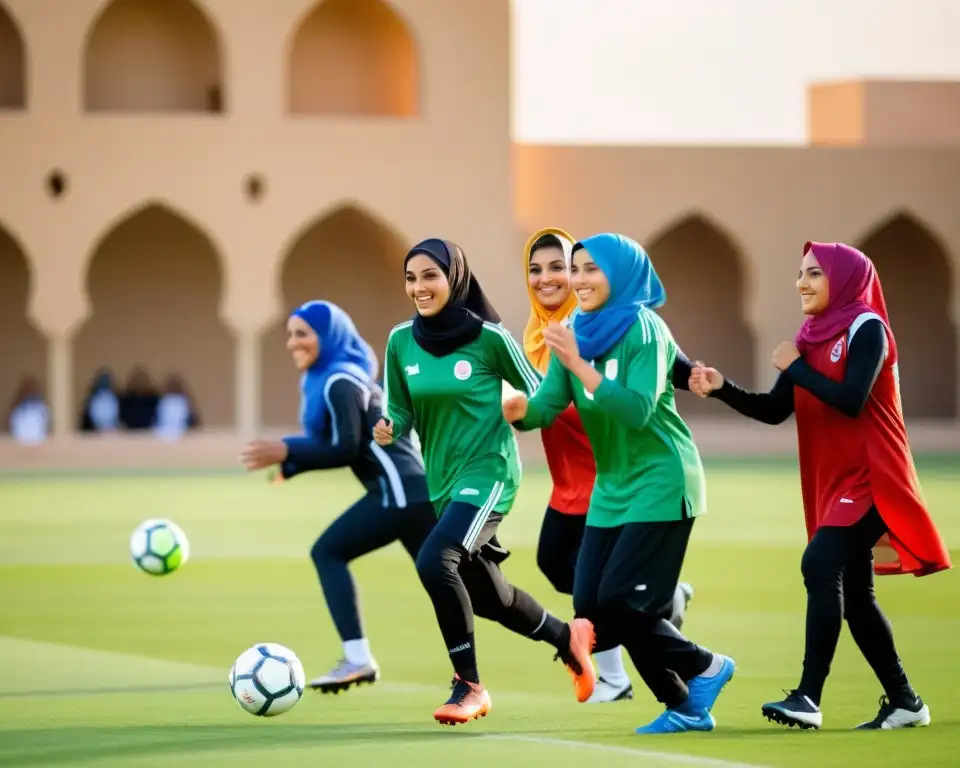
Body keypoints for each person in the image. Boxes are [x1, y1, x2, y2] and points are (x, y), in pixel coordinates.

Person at [690, 241, 951, 730]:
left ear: (845, 279)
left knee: (820, 562)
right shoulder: (809, 336)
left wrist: (796, 366)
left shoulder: (866, 327)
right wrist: (722, 386)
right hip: (836, 481)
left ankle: (808, 697)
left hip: (876, 475)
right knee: (855, 594)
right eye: (800, 273)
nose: (802, 283)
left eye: (814, 273)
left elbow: (852, 399)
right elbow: (773, 410)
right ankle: (905, 701)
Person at [504, 233, 735, 735]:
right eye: (578, 269)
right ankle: (686, 703)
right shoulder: (571, 328)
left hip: (662, 479)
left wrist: (578, 364)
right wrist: (518, 413)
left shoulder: (645, 329)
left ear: (621, 274)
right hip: (611, 488)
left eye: (592, 270)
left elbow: (635, 410)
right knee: (590, 607)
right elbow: (547, 406)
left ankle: (704, 669)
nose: (580, 280)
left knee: (620, 606)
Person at [374, 238, 595, 726]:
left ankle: (468, 686)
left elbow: (544, 394)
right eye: (411, 278)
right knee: (489, 598)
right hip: (444, 484)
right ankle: (568, 638)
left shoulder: (490, 338)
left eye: (430, 276)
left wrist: (526, 411)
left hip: (491, 473)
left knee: (435, 560)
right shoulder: (399, 341)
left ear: (454, 278)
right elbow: (401, 411)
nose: (419, 287)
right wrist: (390, 427)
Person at [241, 300, 433, 694]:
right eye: (290, 335)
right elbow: (341, 444)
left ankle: (359, 660)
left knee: (327, 551)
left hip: (397, 492)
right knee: (466, 589)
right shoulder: (337, 377)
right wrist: (292, 463)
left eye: (303, 334)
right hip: (409, 492)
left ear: (329, 337)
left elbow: (345, 448)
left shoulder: (339, 382)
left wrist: (288, 451)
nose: (293, 343)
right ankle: (562, 635)